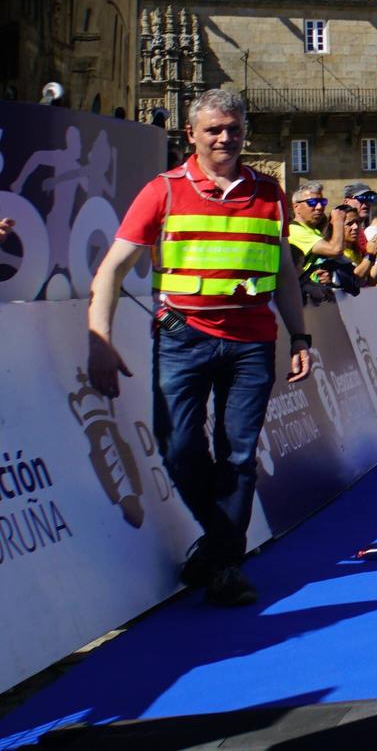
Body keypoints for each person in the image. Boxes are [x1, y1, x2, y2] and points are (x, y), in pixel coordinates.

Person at [83, 89, 313, 608]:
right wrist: (99, 338)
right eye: (213, 129)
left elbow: (283, 273)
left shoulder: (270, 192)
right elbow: (112, 270)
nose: (225, 138)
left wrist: (300, 335)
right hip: (183, 337)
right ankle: (221, 546)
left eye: (233, 128)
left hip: (253, 342)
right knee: (178, 447)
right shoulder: (162, 190)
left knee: (237, 456)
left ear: (245, 131)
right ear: (191, 134)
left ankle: (224, 566)